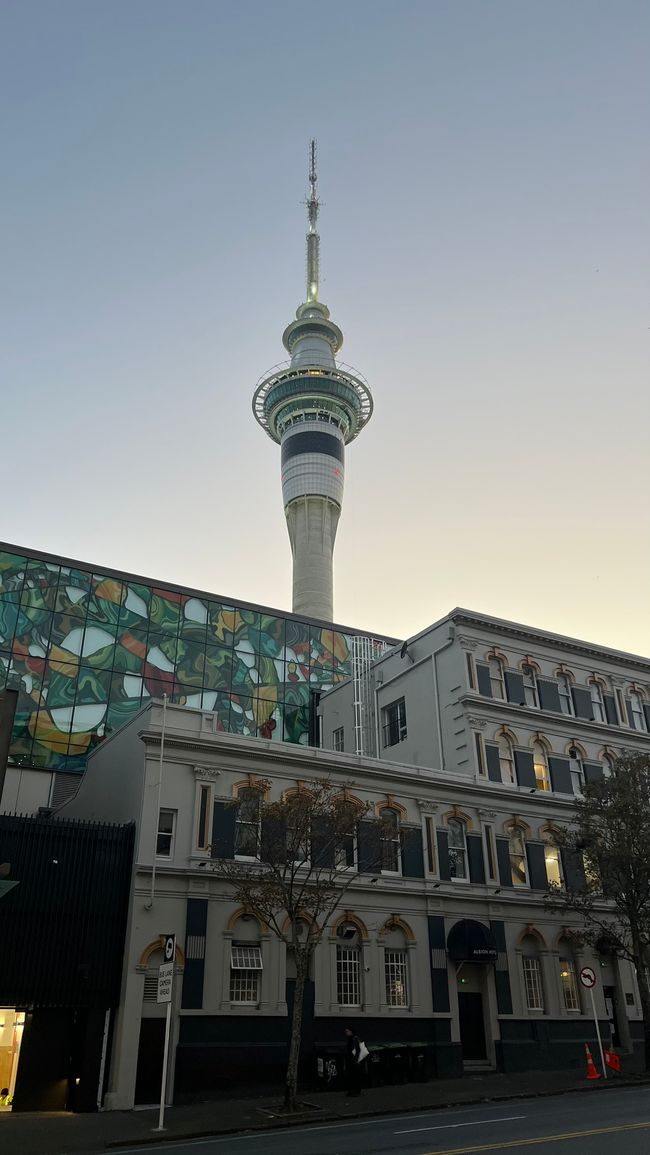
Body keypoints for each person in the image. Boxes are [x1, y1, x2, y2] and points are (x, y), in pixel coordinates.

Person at [344, 1026, 362, 1097]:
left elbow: (356, 1050)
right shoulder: (353, 1039)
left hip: (353, 1061)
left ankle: (354, 1091)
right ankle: (354, 1090)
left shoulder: (353, 1039)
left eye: (347, 1031)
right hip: (353, 1061)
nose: (346, 1033)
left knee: (353, 1076)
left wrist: (355, 1060)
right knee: (354, 1076)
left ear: (351, 1032)